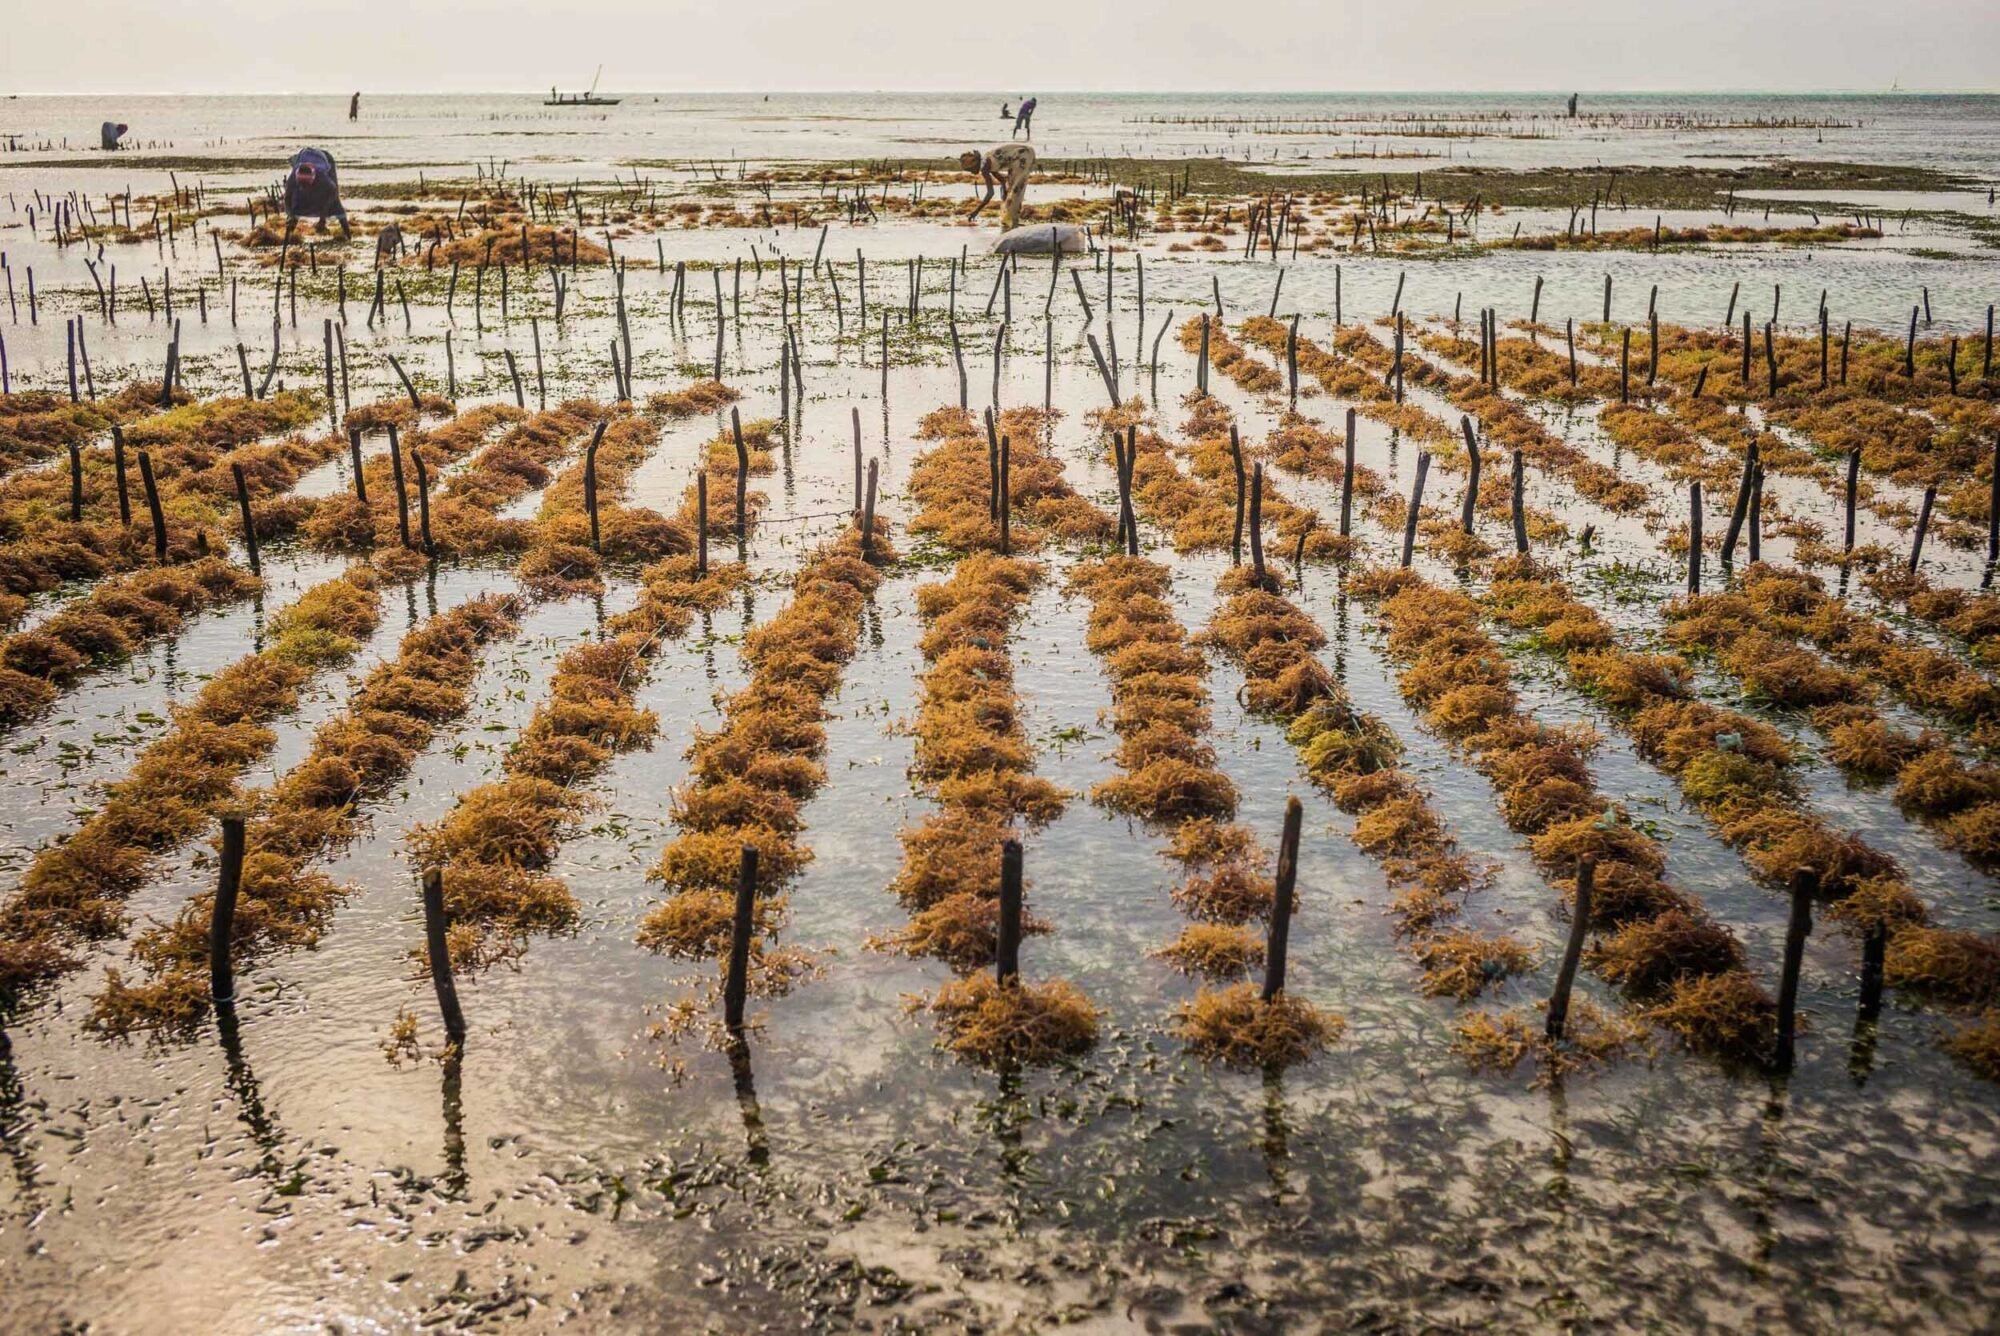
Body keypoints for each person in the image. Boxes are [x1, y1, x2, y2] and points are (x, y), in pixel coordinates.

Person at [959, 143, 1036, 230]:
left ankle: (1013, 222)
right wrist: (1004, 189)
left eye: (970, 170)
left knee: (1015, 191)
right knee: (1011, 191)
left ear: (974, 164)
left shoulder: (985, 167)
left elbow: (990, 193)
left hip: (1023, 155)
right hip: (1020, 156)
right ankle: (1012, 222)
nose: (972, 173)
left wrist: (976, 211)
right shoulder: (986, 162)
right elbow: (1002, 180)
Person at [283, 147, 351, 240]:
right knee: (295, 205)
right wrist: (290, 214)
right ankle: (288, 237)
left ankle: (348, 236)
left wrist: (322, 218)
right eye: (301, 185)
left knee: (336, 206)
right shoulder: (292, 181)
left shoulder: (323, 179)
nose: (304, 188)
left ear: (313, 180)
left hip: (326, 159)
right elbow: (287, 198)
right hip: (304, 157)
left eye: (306, 185)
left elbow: (333, 192)